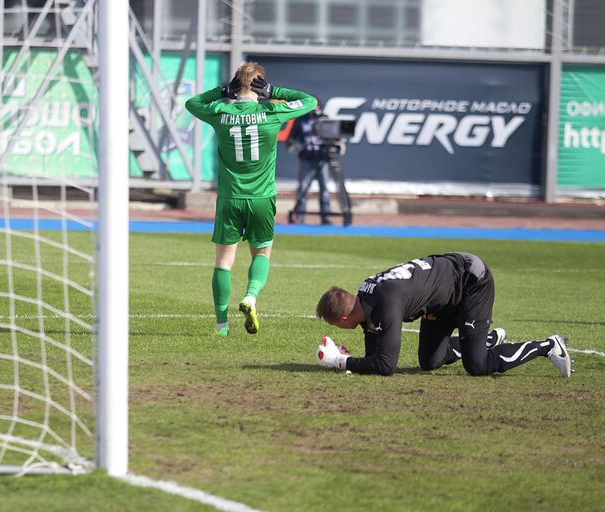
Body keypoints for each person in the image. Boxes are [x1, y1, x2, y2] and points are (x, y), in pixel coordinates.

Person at [185, 62, 317, 337]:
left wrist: (220, 92)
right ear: (260, 85)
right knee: (261, 252)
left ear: (235, 85)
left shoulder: (220, 111)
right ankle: (251, 297)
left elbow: (192, 103)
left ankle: (222, 326)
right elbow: (310, 101)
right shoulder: (272, 111)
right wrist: (274, 91)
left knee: (223, 261)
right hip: (262, 198)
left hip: (230, 198)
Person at [315, 252, 573, 377]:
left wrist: (340, 361)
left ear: (344, 319)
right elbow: (375, 354)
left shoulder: (386, 302)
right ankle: (485, 341)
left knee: (477, 366)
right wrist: (352, 362)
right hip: (441, 300)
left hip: (470, 283)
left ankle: (548, 345)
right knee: (429, 362)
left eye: (334, 324)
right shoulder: (364, 297)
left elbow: (385, 366)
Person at [288, 108, 333, 225]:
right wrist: (298, 147)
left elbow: (332, 136)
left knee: (324, 189)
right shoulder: (300, 120)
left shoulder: (325, 119)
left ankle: (326, 217)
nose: (314, 109)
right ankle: (301, 217)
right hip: (306, 158)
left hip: (322, 159)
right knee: (302, 188)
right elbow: (291, 138)